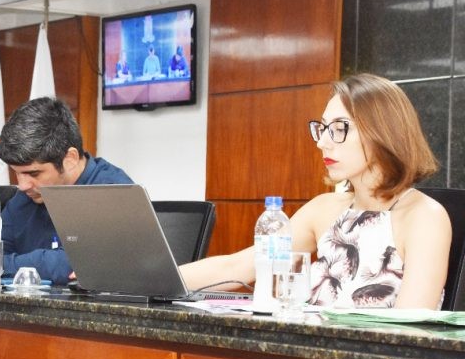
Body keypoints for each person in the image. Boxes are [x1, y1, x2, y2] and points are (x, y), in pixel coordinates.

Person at [180, 73, 451, 309]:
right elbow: (236, 267)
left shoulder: (425, 216)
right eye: (322, 129)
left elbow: (412, 327)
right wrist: (158, 276)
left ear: (384, 132)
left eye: (339, 129)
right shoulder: (324, 208)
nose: (322, 142)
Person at [0, 97, 133, 285]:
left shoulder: (114, 191)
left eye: (33, 173)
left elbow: (72, 262)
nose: (23, 185)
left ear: (69, 159)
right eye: (17, 173)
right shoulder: (27, 197)